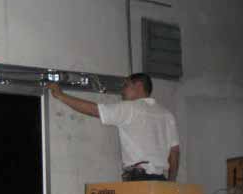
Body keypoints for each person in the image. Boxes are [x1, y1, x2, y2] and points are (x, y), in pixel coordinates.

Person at [48, 73, 180, 181]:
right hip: (160, 182)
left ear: (139, 86)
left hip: (139, 181)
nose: (122, 91)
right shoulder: (166, 115)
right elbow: (174, 152)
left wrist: (61, 96)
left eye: (126, 85)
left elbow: (94, 110)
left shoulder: (130, 108)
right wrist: (171, 183)